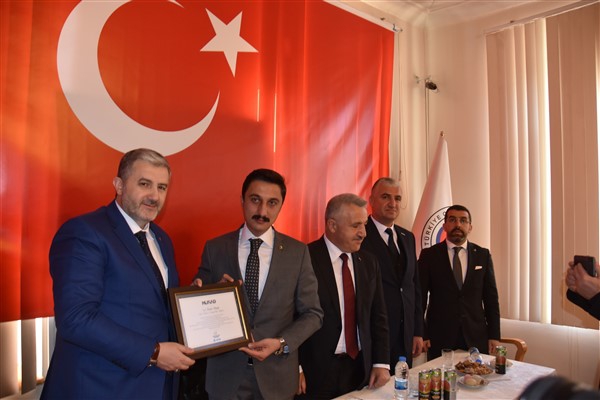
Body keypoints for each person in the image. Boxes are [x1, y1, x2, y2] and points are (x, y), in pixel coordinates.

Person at [41, 148, 195, 400]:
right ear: (119, 185)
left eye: (162, 187)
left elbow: (153, 305)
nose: (154, 196)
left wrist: (197, 298)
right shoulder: (85, 232)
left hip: (156, 387)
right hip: (99, 387)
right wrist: (154, 352)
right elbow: (76, 319)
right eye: (144, 184)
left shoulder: (161, 239)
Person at [193, 169, 323, 400]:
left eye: (272, 203)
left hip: (277, 377)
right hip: (225, 377)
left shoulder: (298, 252)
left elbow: (313, 314)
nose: (262, 211)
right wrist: (209, 293)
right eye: (255, 200)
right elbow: (198, 302)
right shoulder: (215, 249)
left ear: (281, 205)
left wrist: (281, 343)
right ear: (242, 200)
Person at [298, 193, 390, 399]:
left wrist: (381, 363)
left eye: (364, 224)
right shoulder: (304, 258)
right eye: (356, 225)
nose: (363, 233)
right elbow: (289, 316)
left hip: (359, 369)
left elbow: (379, 316)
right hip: (315, 371)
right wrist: (296, 367)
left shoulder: (369, 262)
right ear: (332, 225)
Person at [418, 204, 501, 359]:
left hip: (476, 335)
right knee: (441, 375)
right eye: (452, 220)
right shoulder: (429, 255)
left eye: (463, 220)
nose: (458, 224)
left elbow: (491, 299)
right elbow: (419, 298)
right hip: (440, 336)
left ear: (470, 227)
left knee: (476, 374)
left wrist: (494, 336)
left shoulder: (482, 255)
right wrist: (422, 332)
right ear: (444, 226)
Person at [360, 177, 424, 368]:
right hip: (373, 335)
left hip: (405, 336)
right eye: (385, 197)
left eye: (397, 198)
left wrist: (417, 331)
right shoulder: (360, 235)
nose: (392, 203)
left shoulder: (408, 237)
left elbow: (414, 286)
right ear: (371, 200)